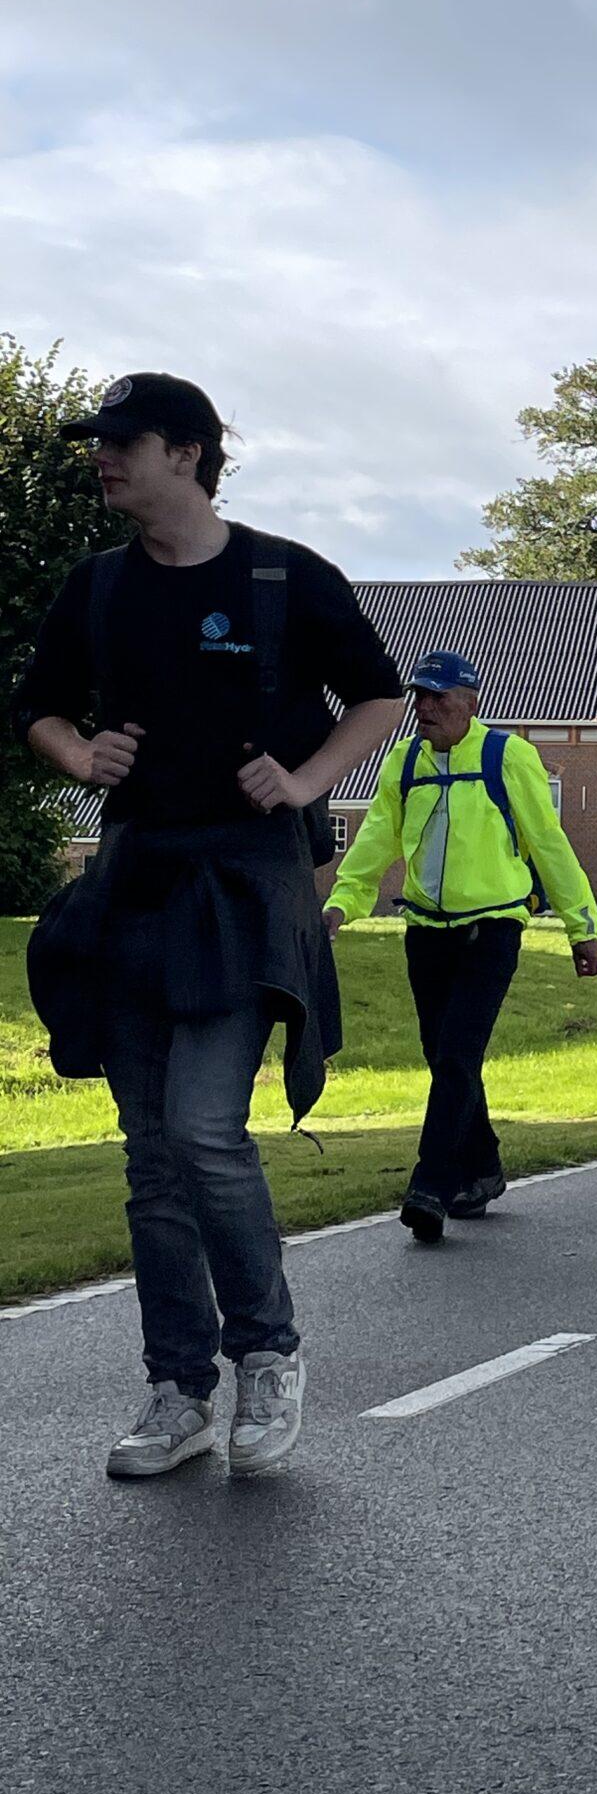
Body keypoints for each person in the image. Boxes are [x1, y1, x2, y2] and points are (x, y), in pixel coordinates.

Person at [15, 372, 405, 1479]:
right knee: (150, 1158)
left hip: (244, 884)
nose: (102, 458)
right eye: (98, 442)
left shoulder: (282, 576)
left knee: (202, 1131)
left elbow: (378, 695)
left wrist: (309, 778)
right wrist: (78, 753)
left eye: (122, 441)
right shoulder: (98, 587)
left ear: (187, 453)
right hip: (136, 879)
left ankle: (268, 1351)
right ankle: (178, 1390)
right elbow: (36, 705)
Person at [325, 650, 597, 1236]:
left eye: (438, 696)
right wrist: (343, 903)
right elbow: (376, 838)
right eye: (419, 696)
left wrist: (583, 928)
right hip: (426, 931)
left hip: (493, 929)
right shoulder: (404, 762)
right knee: (443, 1056)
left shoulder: (507, 756)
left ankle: (431, 1184)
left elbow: (548, 842)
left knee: (456, 1055)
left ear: (469, 702)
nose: (424, 707)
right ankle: (483, 1167)